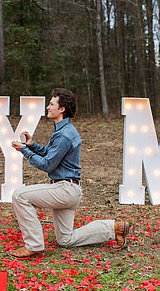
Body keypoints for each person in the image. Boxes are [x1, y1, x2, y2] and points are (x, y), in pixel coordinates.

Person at [9, 88, 130, 259]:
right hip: (69, 189)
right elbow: (51, 154)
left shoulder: (65, 134)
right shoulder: (62, 131)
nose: (48, 107)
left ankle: (34, 246)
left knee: (20, 195)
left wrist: (24, 151)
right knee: (66, 239)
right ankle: (114, 228)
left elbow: (48, 164)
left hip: (65, 189)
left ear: (62, 109)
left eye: (52, 104)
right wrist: (31, 145)